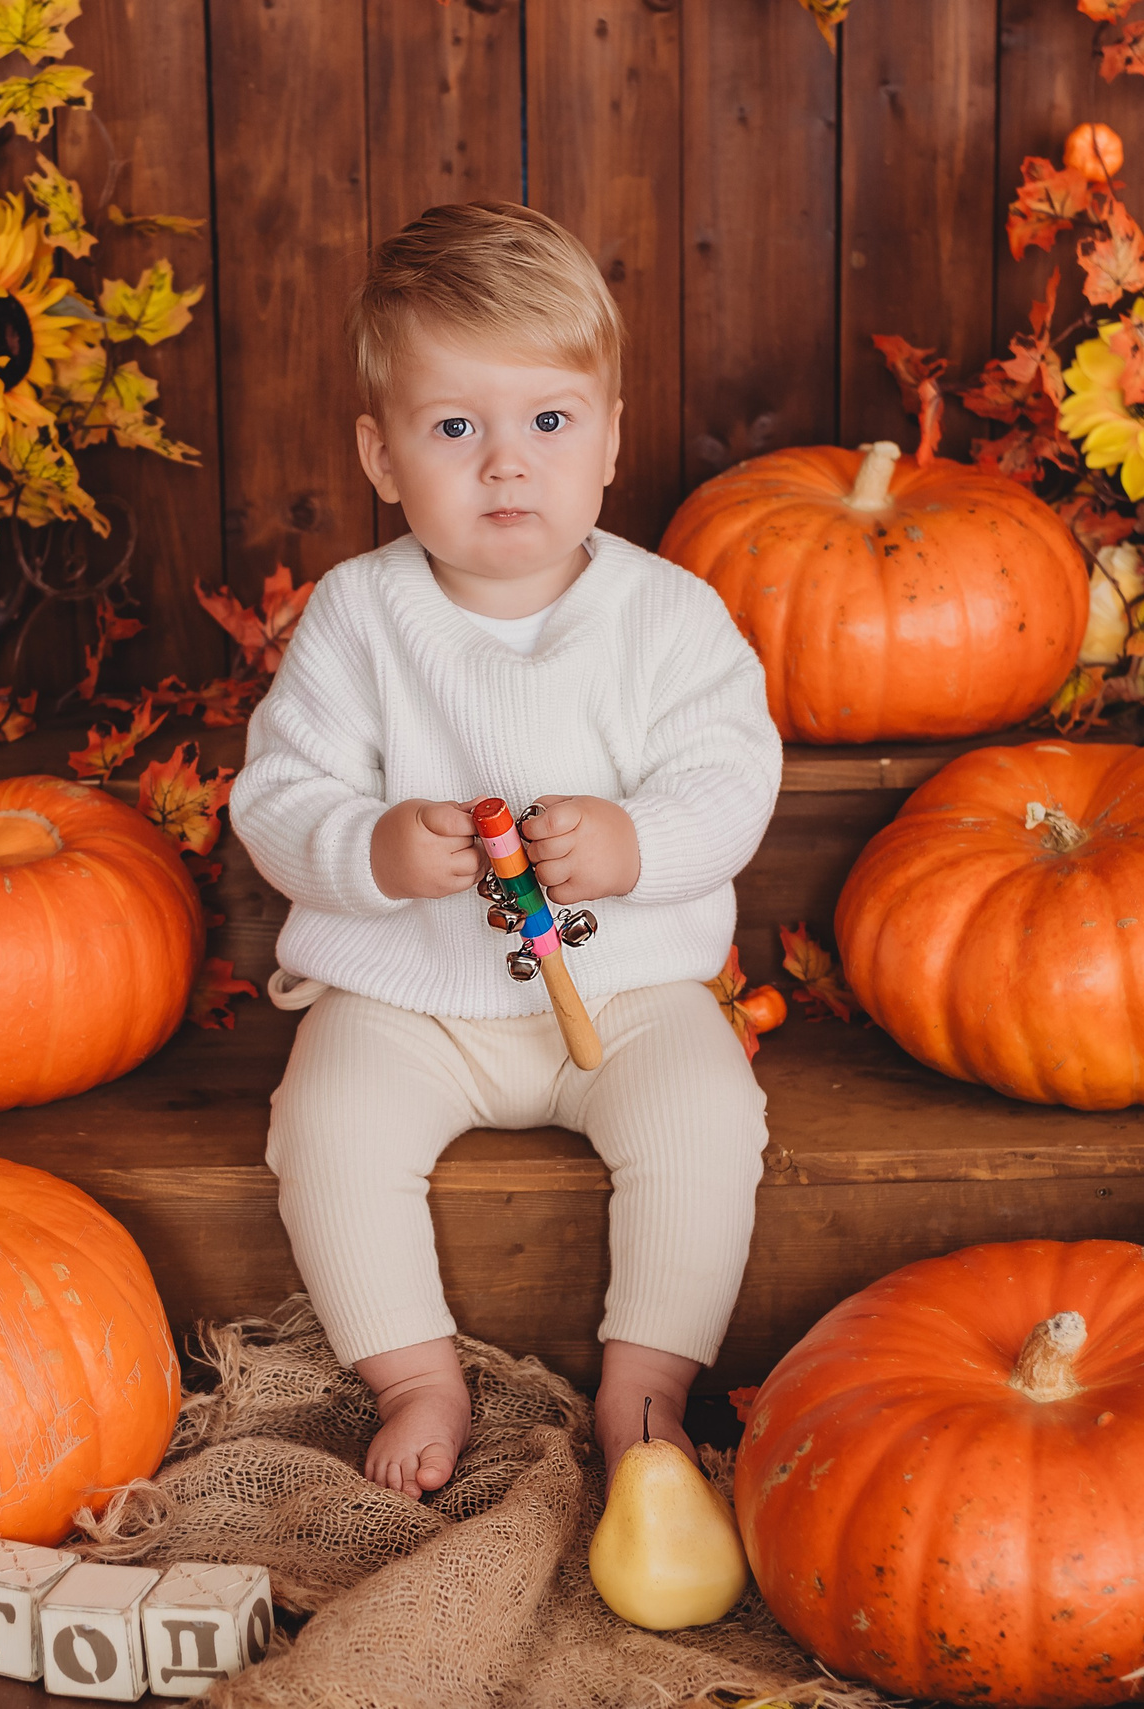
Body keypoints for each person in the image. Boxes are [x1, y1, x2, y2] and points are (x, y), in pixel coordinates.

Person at [230, 200, 782, 1499]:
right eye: (453, 428)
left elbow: (732, 777)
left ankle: (647, 1376)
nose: (506, 464)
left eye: (547, 421)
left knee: (708, 1120)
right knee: (328, 1126)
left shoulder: (667, 615)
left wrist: (637, 839)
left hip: (633, 989)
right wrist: (368, 846)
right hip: (411, 996)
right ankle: (414, 1367)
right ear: (381, 455)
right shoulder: (360, 619)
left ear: (609, 439)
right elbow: (276, 795)